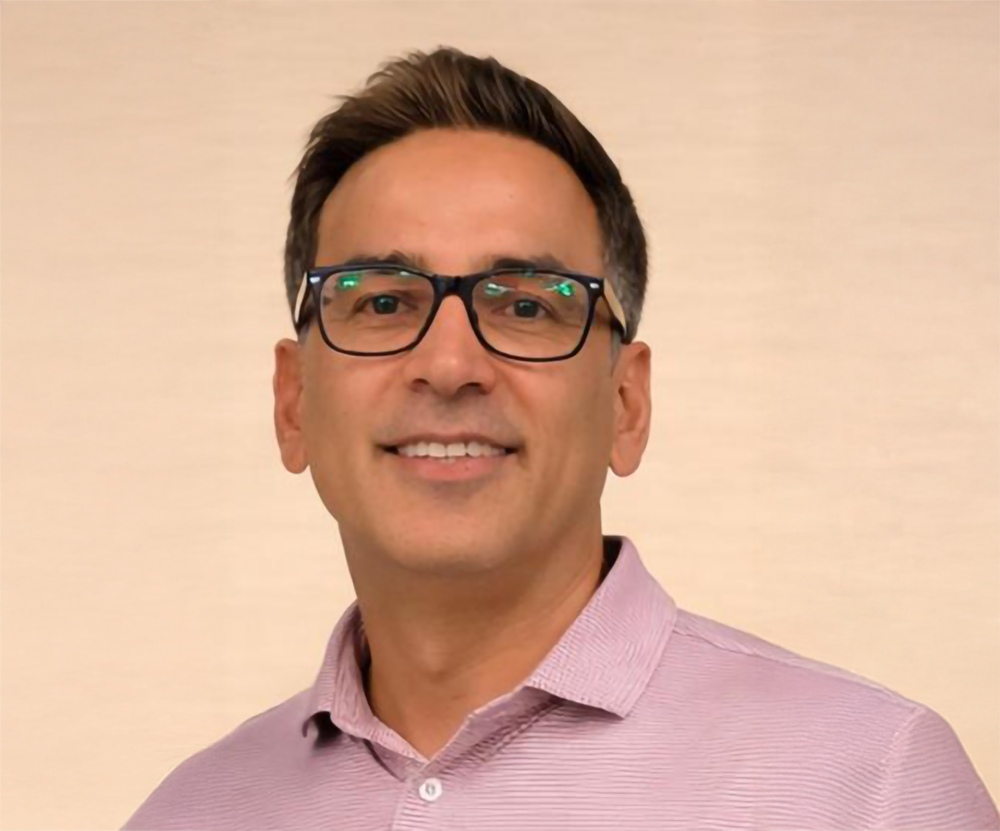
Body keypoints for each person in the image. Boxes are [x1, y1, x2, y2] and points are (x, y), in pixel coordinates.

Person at [122, 46, 999, 830]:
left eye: (527, 306)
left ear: (626, 403)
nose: (450, 361)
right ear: (293, 402)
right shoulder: (187, 812)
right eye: (383, 300)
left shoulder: (870, 786)